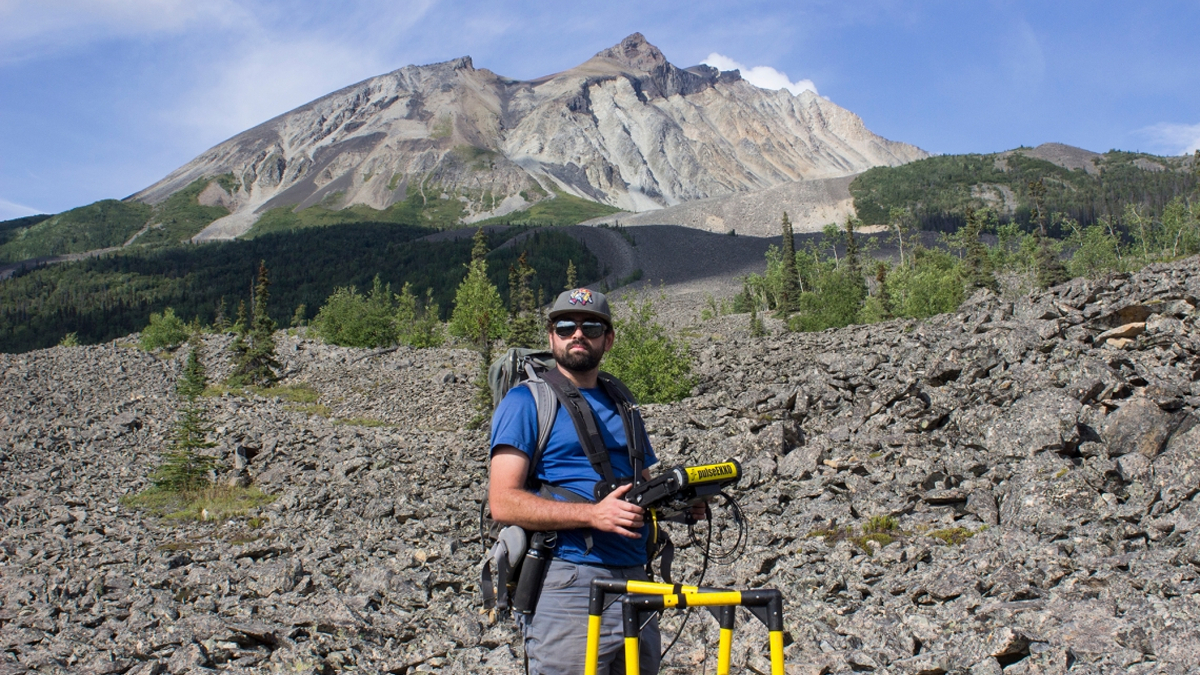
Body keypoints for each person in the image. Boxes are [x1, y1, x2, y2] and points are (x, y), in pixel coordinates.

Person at [488, 287, 661, 675]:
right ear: (551, 337)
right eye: (565, 326)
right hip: (568, 579)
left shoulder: (624, 403)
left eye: (591, 327)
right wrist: (591, 515)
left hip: (637, 576)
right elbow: (503, 502)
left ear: (608, 339)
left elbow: (644, 485)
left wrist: (682, 504)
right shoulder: (526, 402)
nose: (577, 334)